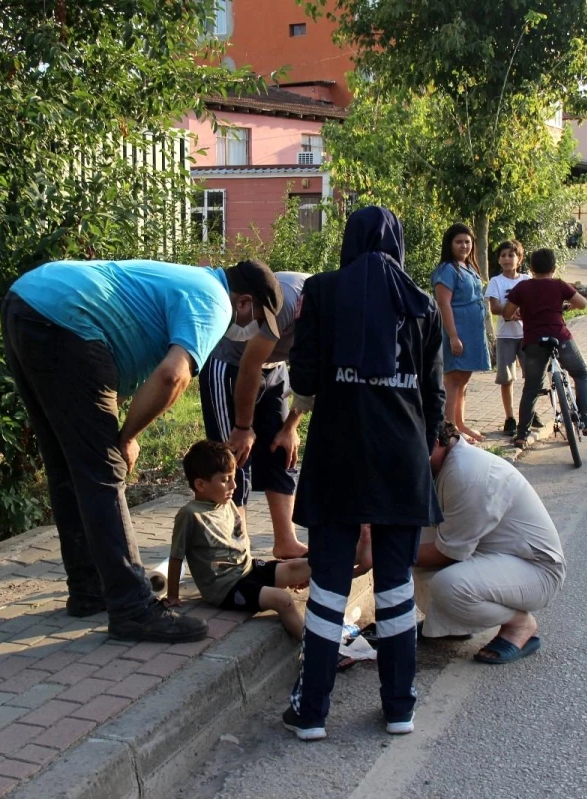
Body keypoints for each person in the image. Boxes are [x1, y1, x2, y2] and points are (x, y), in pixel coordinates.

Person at [1, 258, 282, 643]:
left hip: (29, 300)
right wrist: (128, 436)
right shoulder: (216, 301)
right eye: (257, 319)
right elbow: (173, 375)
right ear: (245, 301)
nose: (253, 330)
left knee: (69, 467)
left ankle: (88, 589)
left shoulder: (192, 280)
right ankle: (133, 609)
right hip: (66, 321)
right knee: (104, 471)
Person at [282, 206, 445, 742]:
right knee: (396, 588)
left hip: (338, 458)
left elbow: (302, 375)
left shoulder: (322, 293)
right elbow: (434, 398)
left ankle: (312, 713)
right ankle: (400, 708)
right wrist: (423, 448)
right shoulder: (421, 303)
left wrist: (306, 406)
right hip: (402, 461)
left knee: (328, 587)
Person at [414, 422, 565, 664]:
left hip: (537, 571)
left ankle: (520, 626)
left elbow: (447, 554)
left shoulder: (467, 473)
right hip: (495, 557)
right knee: (412, 540)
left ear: (434, 442)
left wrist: (384, 555)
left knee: (446, 583)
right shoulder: (443, 464)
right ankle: (454, 624)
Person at [200, 271, 309, 559]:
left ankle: (286, 542)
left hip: (274, 368)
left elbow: (314, 378)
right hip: (230, 365)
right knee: (234, 458)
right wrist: (243, 426)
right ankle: (238, 549)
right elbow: (249, 365)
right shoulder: (289, 302)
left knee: (282, 451)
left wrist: (290, 427)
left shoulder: (339, 324)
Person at [165, 441, 310, 639]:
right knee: (283, 599)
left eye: (233, 478)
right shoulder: (190, 515)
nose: (233, 485)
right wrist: (173, 596)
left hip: (247, 569)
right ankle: (316, 648)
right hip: (226, 588)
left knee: (305, 565)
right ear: (200, 484)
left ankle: (353, 564)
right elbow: (176, 557)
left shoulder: (226, 503)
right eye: (225, 480)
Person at [503, 248, 587, 447]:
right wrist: (566, 306)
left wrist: (518, 315)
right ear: (554, 267)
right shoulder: (559, 285)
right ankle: (585, 420)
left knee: (531, 388)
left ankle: (522, 435)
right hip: (561, 339)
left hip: (533, 343)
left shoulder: (522, 287)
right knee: (582, 374)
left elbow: (507, 313)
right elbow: (583, 304)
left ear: (531, 268)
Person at [432, 224, 490, 442]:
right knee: (453, 379)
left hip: (473, 332)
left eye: (467, 241)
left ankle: (460, 424)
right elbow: (443, 304)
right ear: (449, 244)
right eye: (459, 241)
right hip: (457, 331)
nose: (464, 245)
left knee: (463, 379)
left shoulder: (467, 266)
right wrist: (454, 336)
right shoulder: (448, 270)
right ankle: (448, 429)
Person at [483, 240, 530, 435]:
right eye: (503, 255)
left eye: (511, 255)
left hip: (527, 335)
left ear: (519, 259)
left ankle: (529, 412)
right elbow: (494, 308)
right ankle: (510, 417)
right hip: (505, 336)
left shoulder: (527, 280)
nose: (507, 259)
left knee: (532, 376)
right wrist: (512, 311)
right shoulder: (496, 282)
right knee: (506, 378)